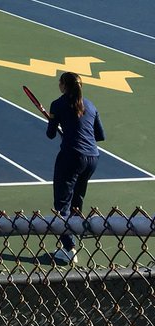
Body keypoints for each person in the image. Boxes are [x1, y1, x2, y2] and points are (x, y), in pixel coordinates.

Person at [45, 71, 105, 265]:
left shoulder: (57, 104)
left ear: (64, 85)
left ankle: (69, 248)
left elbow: (50, 134)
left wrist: (54, 121)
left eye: (59, 82)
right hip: (92, 159)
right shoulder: (90, 105)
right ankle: (76, 231)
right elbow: (99, 135)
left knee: (61, 204)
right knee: (77, 199)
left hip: (71, 157)